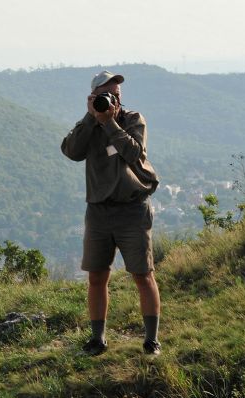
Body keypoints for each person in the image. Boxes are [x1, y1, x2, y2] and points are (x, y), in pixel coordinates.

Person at [61, 70, 162, 356]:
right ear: (93, 97)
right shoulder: (90, 125)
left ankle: (151, 340)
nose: (113, 100)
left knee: (143, 274)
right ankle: (97, 339)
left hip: (132, 208)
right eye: (107, 95)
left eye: (116, 95)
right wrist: (91, 118)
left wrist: (110, 126)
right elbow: (71, 151)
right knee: (96, 276)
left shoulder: (132, 120)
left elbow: (134, 152)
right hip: (99, 211)